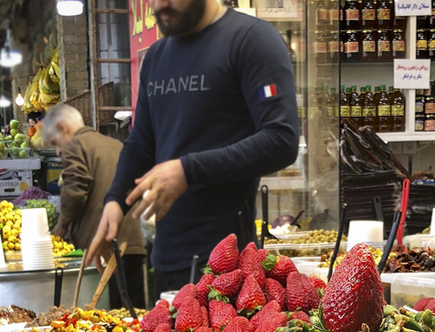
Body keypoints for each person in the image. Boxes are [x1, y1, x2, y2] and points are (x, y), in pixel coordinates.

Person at [87, 0, 299, 297]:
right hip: (167, 261)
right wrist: (114, 202)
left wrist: (188, 169)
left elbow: (281, 140)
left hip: (229, 268)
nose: (160, 5)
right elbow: (141, 143)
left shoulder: (251, 39)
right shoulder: (158, 55)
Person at [41, 102, 146, 310]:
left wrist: (62, 225)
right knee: (134, 320)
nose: (58, 151)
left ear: (63, 128)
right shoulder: (115, 144)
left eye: (55, 143)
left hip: (104, 250)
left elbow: (74, 189)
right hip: (133, 242)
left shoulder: (74, 145)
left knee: (106, 323)